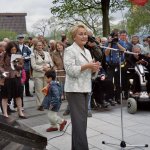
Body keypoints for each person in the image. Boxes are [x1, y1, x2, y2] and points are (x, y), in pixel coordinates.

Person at [64, 24, 100, 150]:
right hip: (75, 90)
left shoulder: (87, 51)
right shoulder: (69, 50)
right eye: (80, 34)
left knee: (81, 123)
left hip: (85, 88)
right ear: (74, 37)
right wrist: (87, 66)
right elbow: (70, 71)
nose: (84, 36)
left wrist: (94, 68)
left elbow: (90, 74)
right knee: (79, 124)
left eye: (85, 34)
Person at [0, 41, 26, 118]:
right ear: (9, 49)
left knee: (18, 95)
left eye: (15, 49)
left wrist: (16, 64)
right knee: (5, 96)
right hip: (5, 78)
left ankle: (20, 112)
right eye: (12, 49)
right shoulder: (3, 55)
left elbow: (21, 66)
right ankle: (5, 113)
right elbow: (0, 66)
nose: (13, 51)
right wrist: (4, 73)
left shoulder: (18, 55)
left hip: (16, 77)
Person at [31, 41, 54, 111]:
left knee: (46, 89)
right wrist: (43, 68)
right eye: (38, 45)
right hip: (38, 74)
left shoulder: (47, 53)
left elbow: (51, 63)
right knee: (39, 90)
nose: (40, 46)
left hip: (47, 74)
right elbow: (33, 65)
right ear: (35, 46)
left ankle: (46, 103)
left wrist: (48, 67)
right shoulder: (33, 55)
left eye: (41, 45)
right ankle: (40, 105)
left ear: (43, 46)